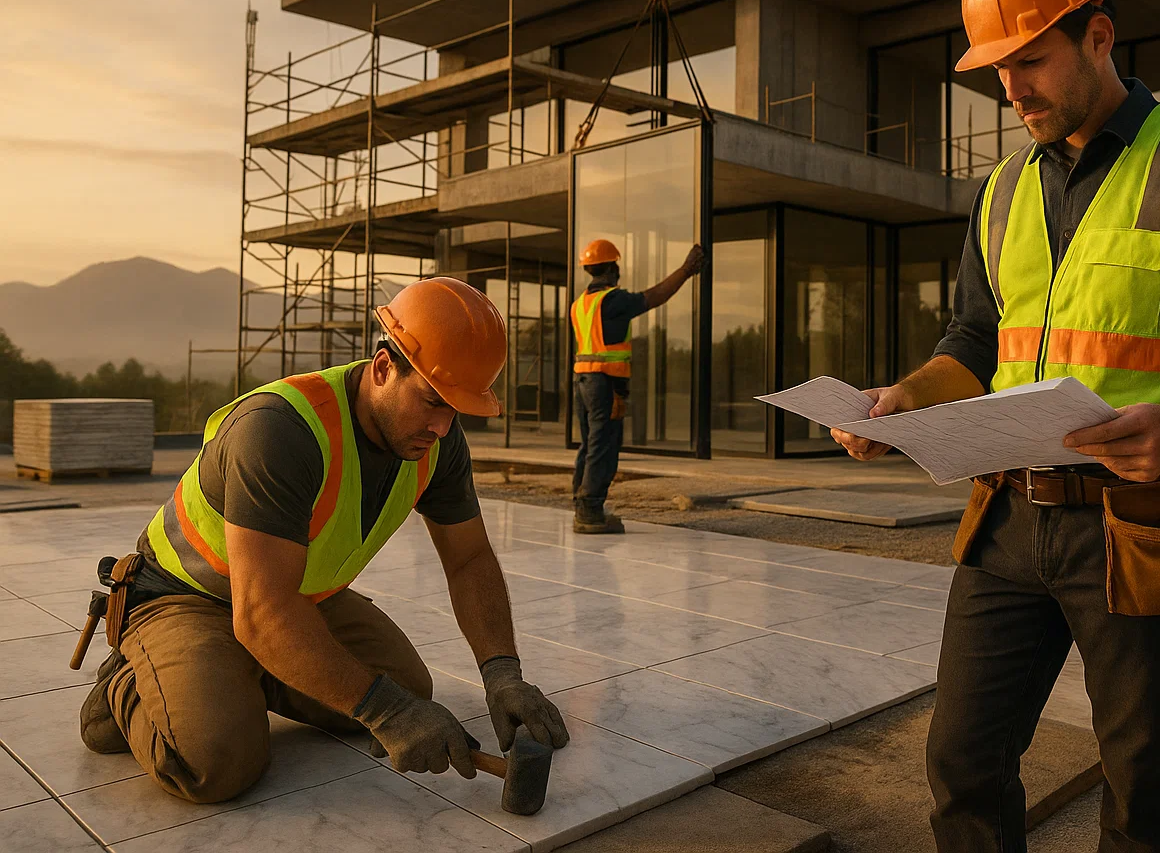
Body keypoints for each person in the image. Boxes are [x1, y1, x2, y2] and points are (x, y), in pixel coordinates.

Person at [830, 0, 1160, 853]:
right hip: (1008, 521)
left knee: (1144, 787)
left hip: (1142, 527)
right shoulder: (1003, 189)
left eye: (1031, 62)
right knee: (962, 763)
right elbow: (976, 338)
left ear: (1099, 36)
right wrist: (907, 400)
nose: (1012, 91)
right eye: (997, 72)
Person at [77, 277, 571, 804]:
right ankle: (129, 683)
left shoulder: (437, 440)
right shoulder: (279, 429)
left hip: (291, 596)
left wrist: (502, 674)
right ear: (384, 367)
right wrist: (387, 712)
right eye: (432, 401)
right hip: (186, 596)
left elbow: (469, 559)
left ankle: (245, 668)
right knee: (215, 762)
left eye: (457, 409)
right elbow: (263, 610)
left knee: (408, 685)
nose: (444, 427)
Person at [568, 238, 705, 533]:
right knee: (603, 445)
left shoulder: (580, 303)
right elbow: (654, 297)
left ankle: (584, 506)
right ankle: (590, 511)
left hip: (583, 380)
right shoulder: (612, 300)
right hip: (603, 382)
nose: (618, 271)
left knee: (590, 444)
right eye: (615, 265)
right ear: (609, 268)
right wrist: (686, 270)